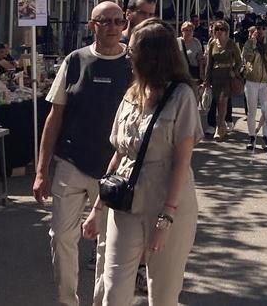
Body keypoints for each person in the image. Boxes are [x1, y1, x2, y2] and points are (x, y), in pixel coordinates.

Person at [83, 19, 202, 306]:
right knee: (113, 287)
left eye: (133, 49)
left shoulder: (181, 96)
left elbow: (181, 161)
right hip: (125, 200)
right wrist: (97, 208)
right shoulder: (131, 94)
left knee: (162, 293)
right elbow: (120, 153)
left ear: (152, 56)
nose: (127, 55)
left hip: (167, 203)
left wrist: (166, 217)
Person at [33, 1, 132, 306]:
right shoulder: (75, 61)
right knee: (62, 236)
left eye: (118, 21)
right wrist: (41, 170)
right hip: (71, 161)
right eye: (105, 22)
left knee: (107, 245)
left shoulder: (134, 62)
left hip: (114, 168)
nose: (112, 27)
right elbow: (55, 116)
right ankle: (67, 300)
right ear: (92, 26)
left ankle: (102, 301)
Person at [201, 20, 242, 140]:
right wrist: (206, 80)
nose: (219, 32)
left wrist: (234, 71)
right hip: (215, 76)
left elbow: (239, 61)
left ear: (226, 31)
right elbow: (209, 63)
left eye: (221, 29)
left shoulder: (231, 44)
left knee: (222, 102)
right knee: (216, 102)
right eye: (216, 29)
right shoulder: (212, 43)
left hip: (227, 77)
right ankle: (221, 125)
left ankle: (220, 127)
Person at [241, 21, 267, 150]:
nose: (260, 30)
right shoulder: (249, 43)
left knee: (266, 111)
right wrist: (254, 45)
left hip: (265, 82)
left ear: (266, 30)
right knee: (251, 111)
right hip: (252, 80)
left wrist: (264, 49)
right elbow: (247, 58)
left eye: (263, 28)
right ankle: (251, 137)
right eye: (258, 28)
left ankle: (265, 138)